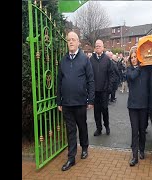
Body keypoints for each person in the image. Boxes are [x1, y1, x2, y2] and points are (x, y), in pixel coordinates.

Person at [56, 31, 95, 171]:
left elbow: (91, 80)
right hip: (66, 103)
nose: (71, 42)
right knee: (70, 131)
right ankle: (71, 158)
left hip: (80, 102)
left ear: (78, 42)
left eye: (73, 39)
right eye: (69, 40)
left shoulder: (84, 59)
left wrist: (90, 99)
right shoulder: (63, 60)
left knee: (82, 126)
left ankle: (84, 147)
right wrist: (58, 101)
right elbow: (59, 81)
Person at [126, 48, 149, 166]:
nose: (134, 59)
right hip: (133, 106)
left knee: (142, 130)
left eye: (136, 57)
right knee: (135, 131)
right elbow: (133, 76)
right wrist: (140, 67)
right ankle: (134, 156)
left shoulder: (145, 70)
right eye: (132, 57)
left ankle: (142, 150)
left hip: (144, 105)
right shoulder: (129, 70)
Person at [89, 39, 114, 136]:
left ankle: (107, 126)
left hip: (104, 90)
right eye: (96, 46)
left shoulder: (107, 59)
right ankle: (98, 128)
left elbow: (111, 74)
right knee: (96, 112)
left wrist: (109, 88)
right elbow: (89, 75)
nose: (98, 47)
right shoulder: (91, 60)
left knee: (105, 109)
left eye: (99, 45)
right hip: (95, 91)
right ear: (95, 48)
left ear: (103, 47)